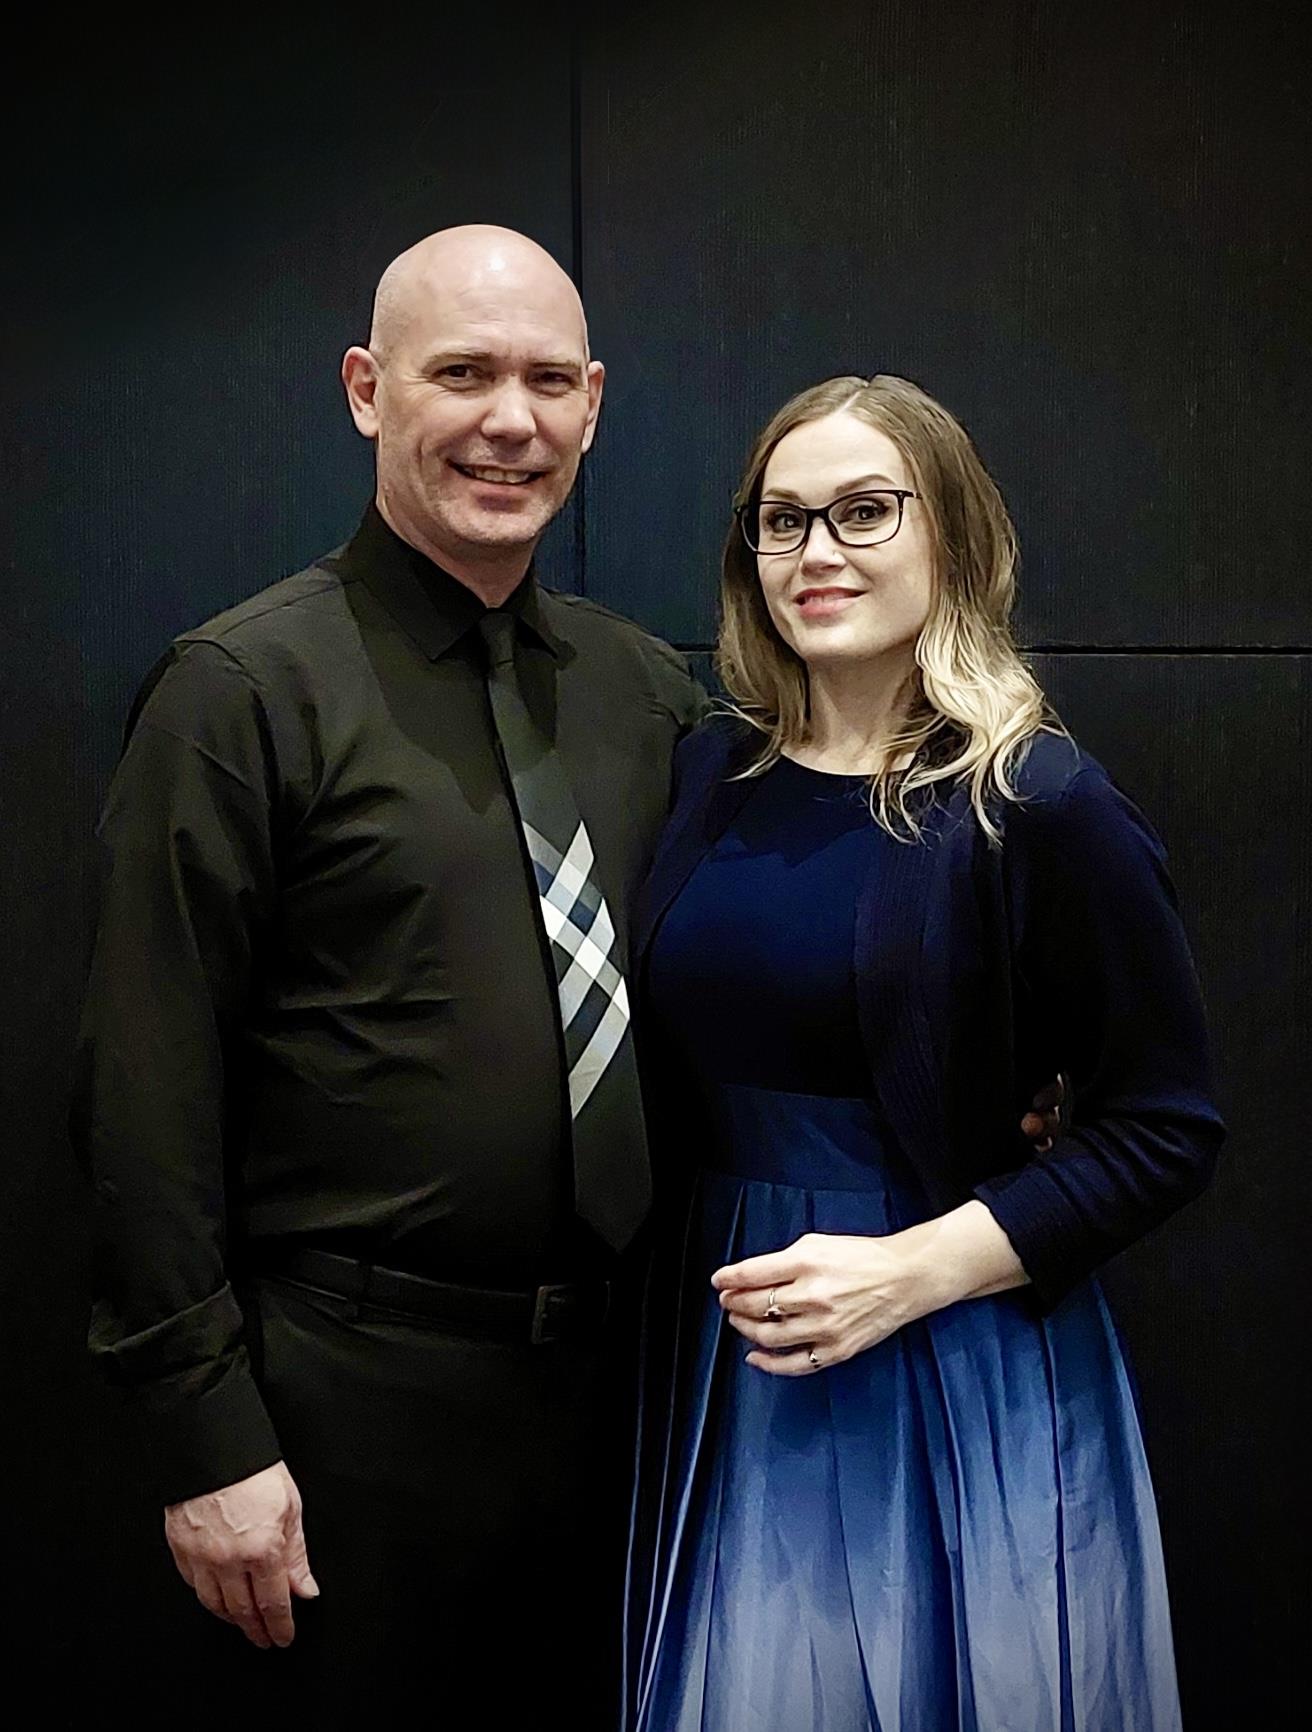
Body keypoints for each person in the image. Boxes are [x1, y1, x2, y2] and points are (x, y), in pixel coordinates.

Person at [71, 224, 707, 1726]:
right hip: (341, 1424)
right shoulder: (239, 693)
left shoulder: (644, 692)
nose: (512, 420)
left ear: (598, 405)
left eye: (550, 381)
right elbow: (142, 1092)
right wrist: (209, 1439)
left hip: (627, 1410)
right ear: (367, 390)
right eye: (463, 373)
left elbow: (762, 965)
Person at [624, 375, 1223, 1731]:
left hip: (946, 1363)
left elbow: (1168, 1126)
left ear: (947, 533)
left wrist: (910, 1271)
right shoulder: (706, 776)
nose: (815, 553)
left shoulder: (1041, 804)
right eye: (782, 523)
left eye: (862, 513)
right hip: (718, 1350)